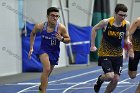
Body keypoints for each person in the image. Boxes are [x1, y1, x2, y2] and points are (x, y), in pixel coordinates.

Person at [90, 4, 132, 93]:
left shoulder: (126, 24)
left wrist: (127, 41)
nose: (123, 17)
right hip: (105, 53)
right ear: (115, 14)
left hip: (118, 54)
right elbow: (94, 29)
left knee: (116, 79)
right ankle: (100, 79)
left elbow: (126, 36)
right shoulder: (106, 22)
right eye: (121, 15)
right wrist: (93, 45)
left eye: (125, 15)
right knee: (109, 76)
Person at [28, 7, 70, 93]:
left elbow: (68, 40)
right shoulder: (40, 26)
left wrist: (61, 39)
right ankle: (43, 91)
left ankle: (41, 87)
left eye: (57, 16)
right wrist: (31, 48)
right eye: (52, 15)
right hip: (44, 50)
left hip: (54, 52)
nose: (55, 18)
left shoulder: (61, 28)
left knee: (47, 74)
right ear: (47, 16)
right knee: (46, 69)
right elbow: (32, 33)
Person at [128, 17, 140, 93]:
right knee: (132, 75)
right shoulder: (138, 21)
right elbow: (128, 35)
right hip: (135, 51)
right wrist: (130, 48)